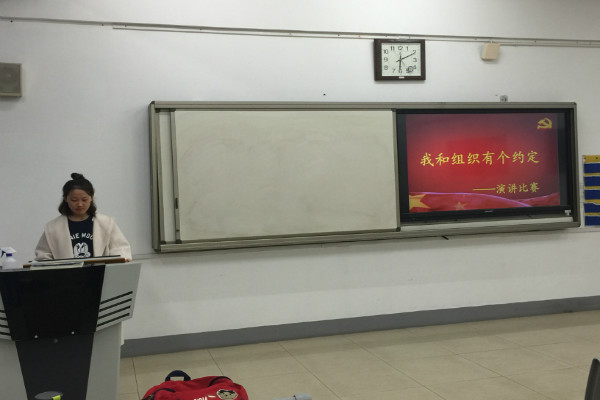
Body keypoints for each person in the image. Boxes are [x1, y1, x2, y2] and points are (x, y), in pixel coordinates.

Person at [35, 173, 132, 261]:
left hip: (100, 273)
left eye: (84, 199)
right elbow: (43, 256)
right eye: (74, 200)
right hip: (66, 275)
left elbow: (121, 249)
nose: (80, 204)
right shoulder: (53, 228)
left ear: (91, 197)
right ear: (65, 198)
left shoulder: (106, 223)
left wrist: (122, 259)